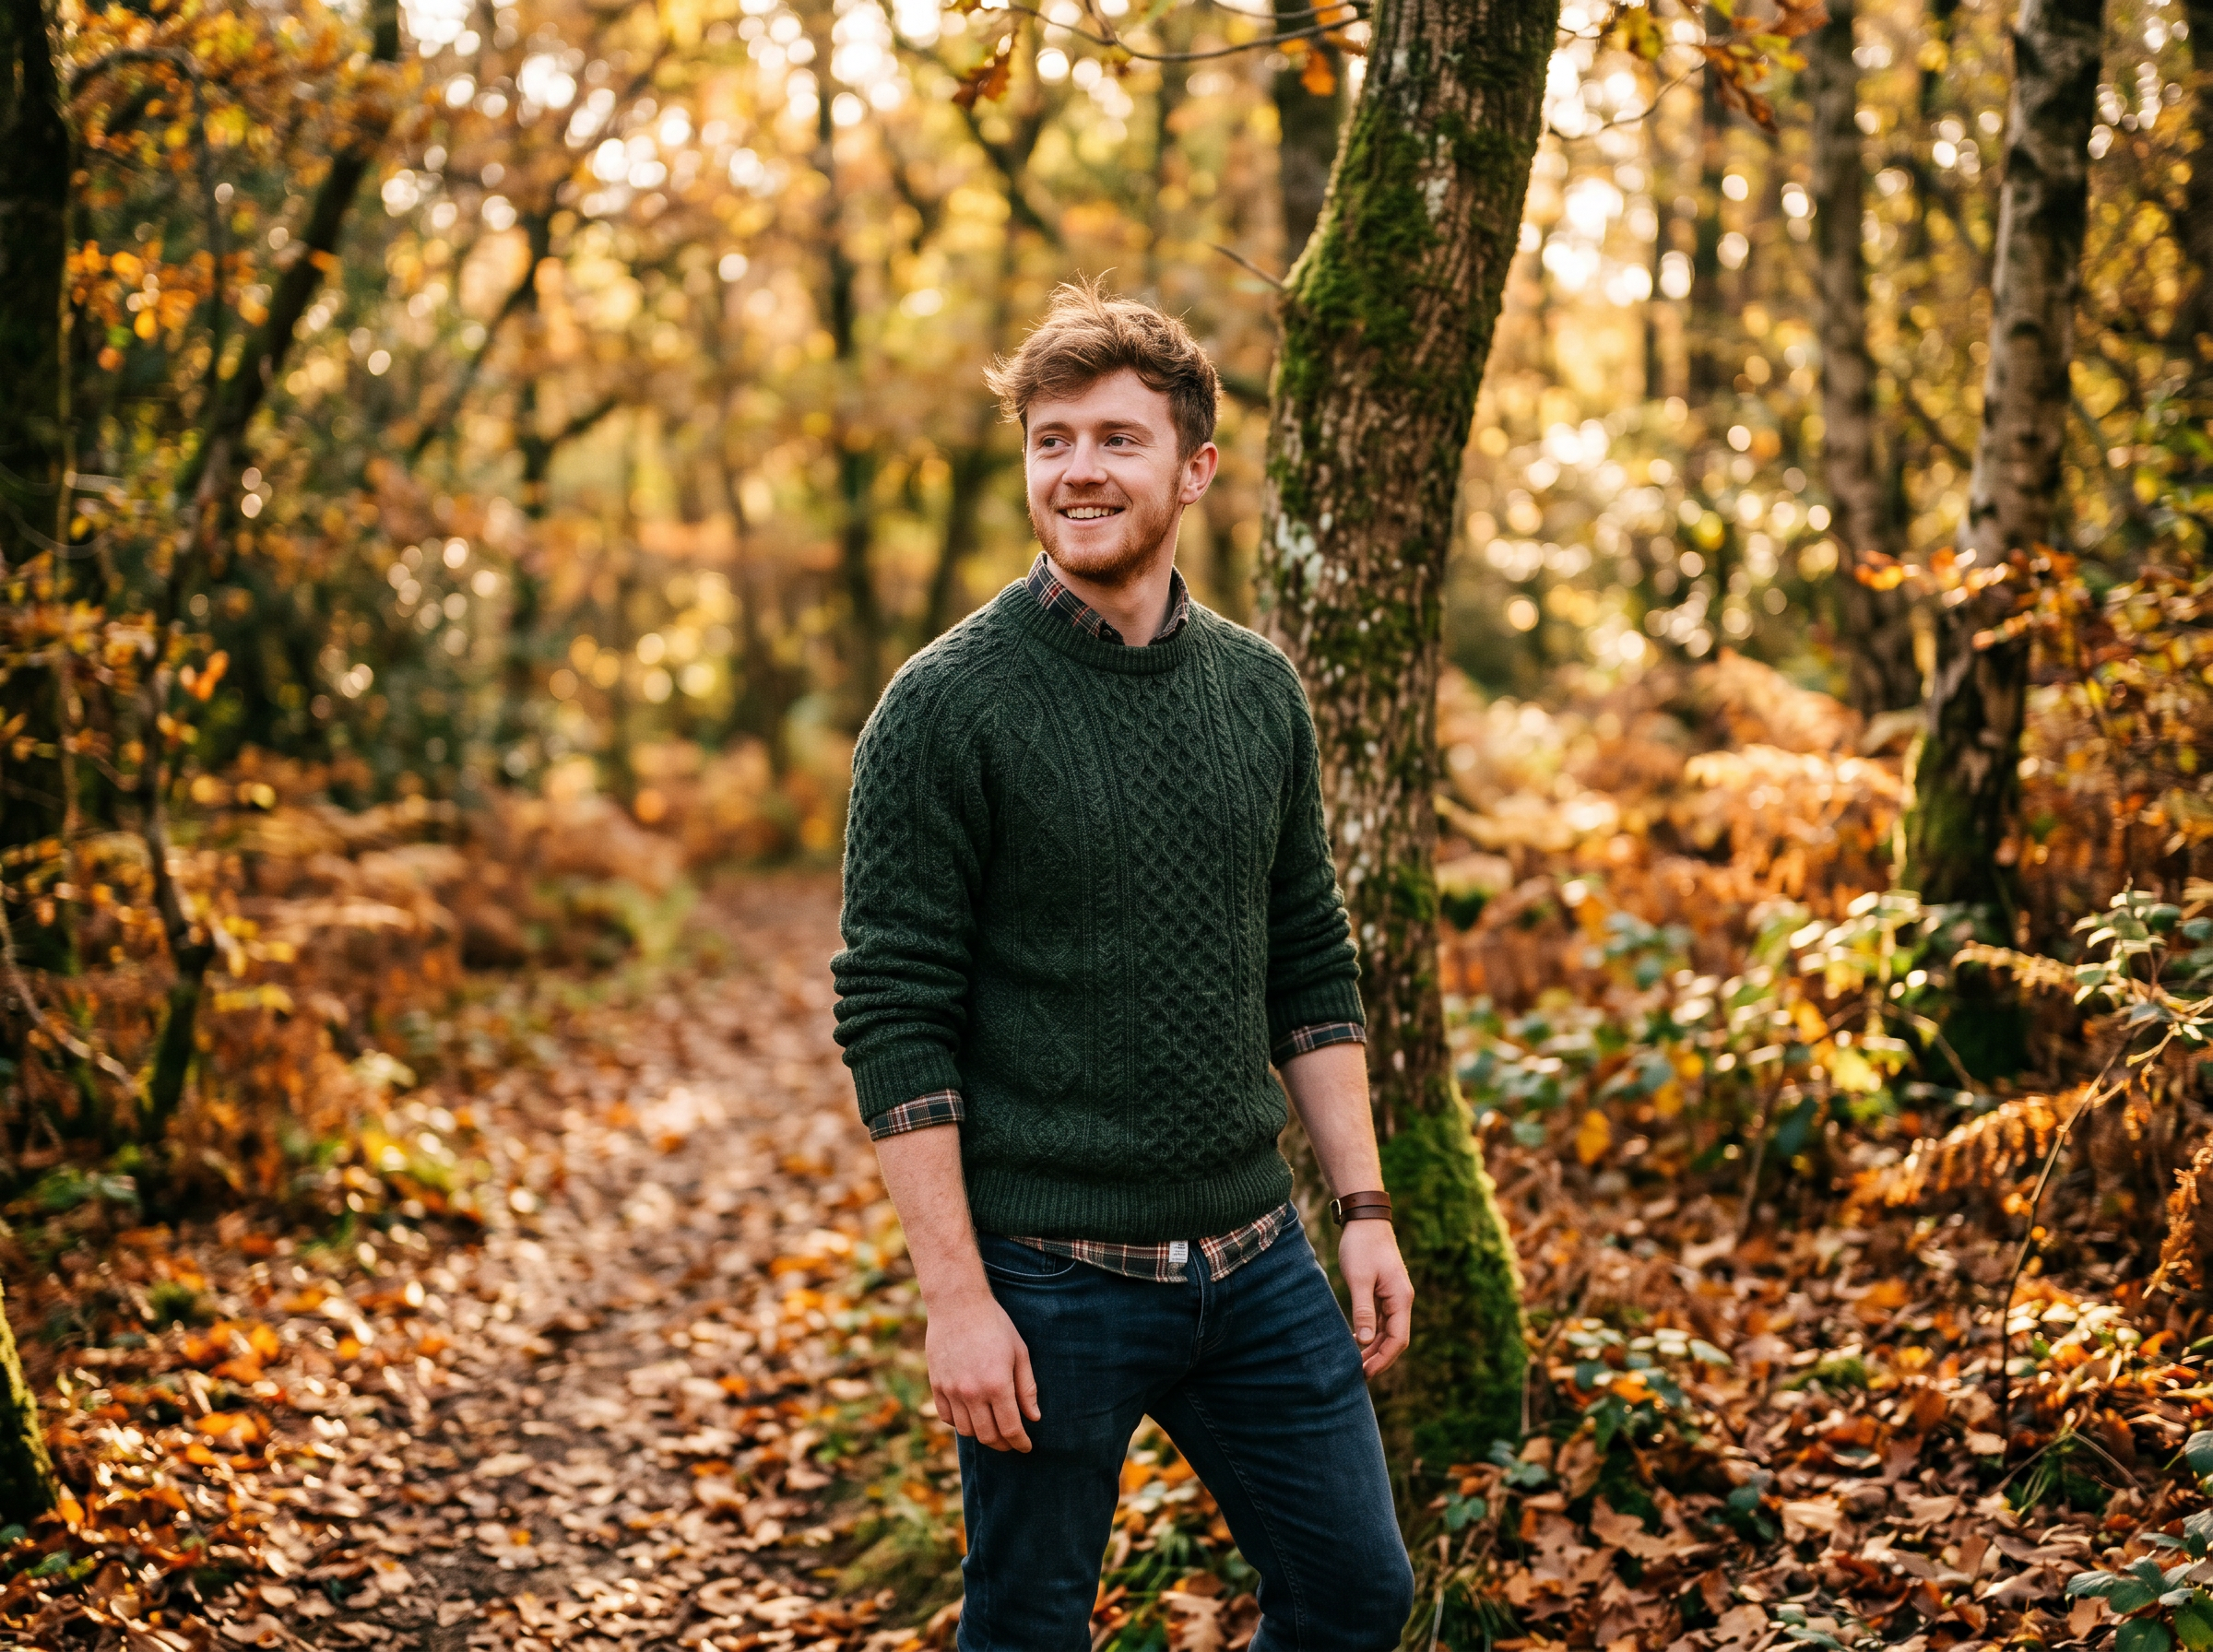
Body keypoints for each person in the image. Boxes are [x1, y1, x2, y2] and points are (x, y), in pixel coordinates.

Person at [830, 278, 1417, 1649]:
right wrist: (957, 1302)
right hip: (1049, 1276)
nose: (1078, 469)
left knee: (1356, 1596)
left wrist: (1366, 1207)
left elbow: (1309, 958)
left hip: (1258, 1257)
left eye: (1115, 437)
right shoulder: (942, 709)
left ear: (1196, 467)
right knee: (1029, 1625)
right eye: (1051, 439)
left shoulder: (1260, 690)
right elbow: (892, 1013)